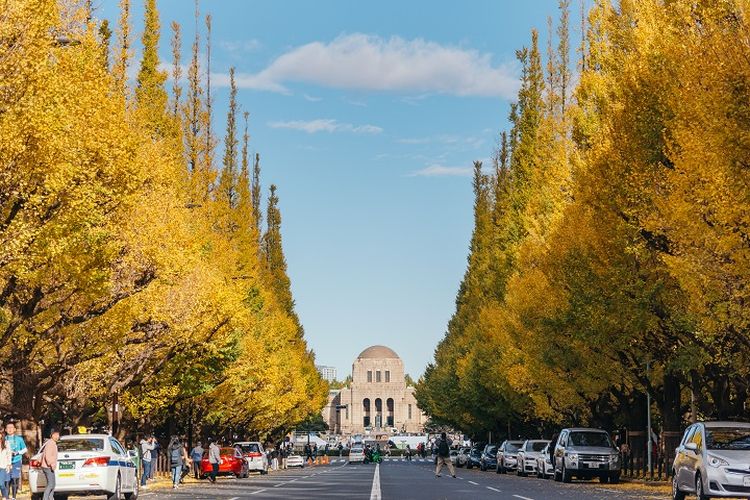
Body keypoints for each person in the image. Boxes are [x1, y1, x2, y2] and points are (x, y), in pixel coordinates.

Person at [5, 423, 27, 500]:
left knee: (14, 479)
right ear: (5, 429)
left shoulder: (19, 439)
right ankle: (6, 497)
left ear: (14, 429)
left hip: (16, 461)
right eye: (8, 427)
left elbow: (25, 449)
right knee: (7, 480)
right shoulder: (3, 439)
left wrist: (17, 453)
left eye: (11, 427)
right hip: (6, 463)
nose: (10, 429)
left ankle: (14, 497)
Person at [40, 429, 60, 500]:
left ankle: (51, 498)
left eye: (58, 435)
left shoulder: (52, 443)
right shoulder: (50, 443)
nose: (57, 436)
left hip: (49, 466)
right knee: (50, 484)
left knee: (53, 484)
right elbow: (48, 456)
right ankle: (45, 498)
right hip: (48, 466)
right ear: (51, 435)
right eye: (55, 435)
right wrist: (51, 464)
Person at [0, 433, 11, 500]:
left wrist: (9, 464)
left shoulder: (6, 443)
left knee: (1, 483)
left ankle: (5, 496)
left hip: (3, 466)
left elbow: (9, 454)